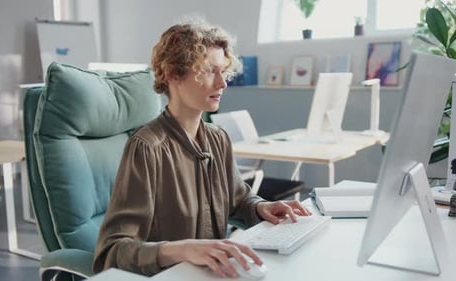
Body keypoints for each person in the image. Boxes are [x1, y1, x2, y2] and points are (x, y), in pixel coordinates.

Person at [92, 18, 311, 278]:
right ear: (173, 73)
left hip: (214, 272)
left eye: (223, 71)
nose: (223, 83)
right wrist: (182, 249)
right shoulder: (147, 147)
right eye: (209, 71)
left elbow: (238, 200)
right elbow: (112, 252)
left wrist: (260, 207)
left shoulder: (218, 138)